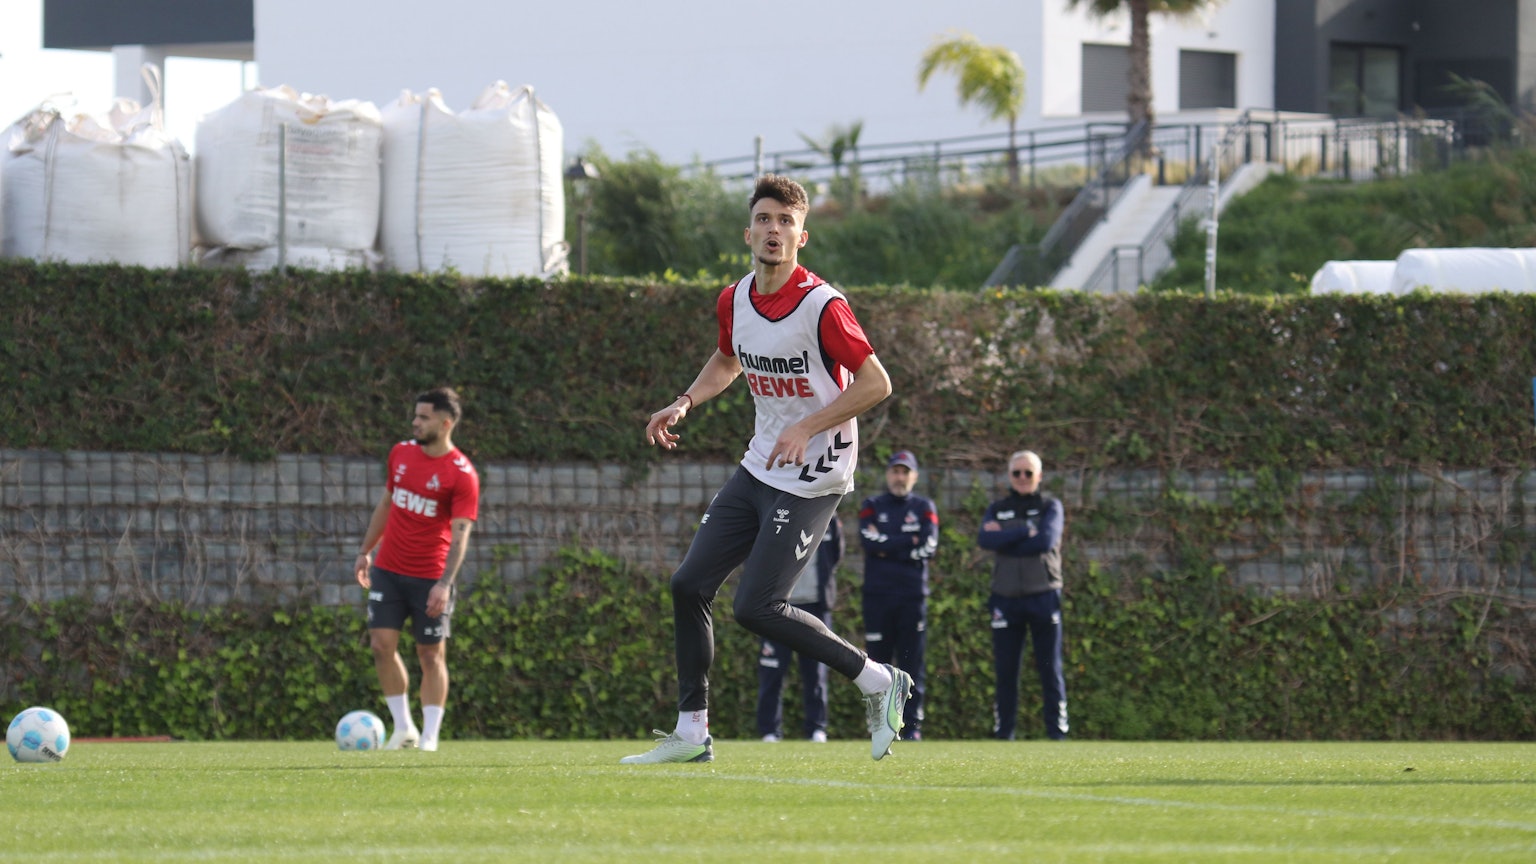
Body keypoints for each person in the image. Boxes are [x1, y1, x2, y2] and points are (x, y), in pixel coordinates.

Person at [626, 173, 912, 764]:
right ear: (748, 231)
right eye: (764, 219)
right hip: (761, 465)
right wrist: (685, 400)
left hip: (816, 472)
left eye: (786, 221)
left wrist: (808, 426)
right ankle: (691, 731)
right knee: (688, 585)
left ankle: (878, 680)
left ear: (802, 236)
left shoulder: (823, 305)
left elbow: (877, 383)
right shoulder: (734, 298)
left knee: (756, 607)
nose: (774, 230)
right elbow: (727, 359)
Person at [352, 387, 480, 752]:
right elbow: (387, 503)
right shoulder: (401, 453)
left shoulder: (462, 474)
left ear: (445, 423)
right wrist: (365, 551)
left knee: (430, 654)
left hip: (429, 577)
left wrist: (444, 584)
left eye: (423, 417)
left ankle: (429, 737)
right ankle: (404, 728)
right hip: (389, 570)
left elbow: (460, 536)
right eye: (415, 415)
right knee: (380, 645)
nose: (415, 422)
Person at [976, 449, 1068, 741]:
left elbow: (1045, 540)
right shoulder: (997, 507)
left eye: (1028, 473)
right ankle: (1004, 734)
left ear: (1039, 476)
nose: (1023, 478)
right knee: (1006, 671)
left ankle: (1057, 733)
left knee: (1049, 669)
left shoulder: (1050, 506)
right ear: (1009, 476)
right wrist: (1023, 531)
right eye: (1017, 473)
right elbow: (984, 539)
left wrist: (1005, 535)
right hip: (1004, 597)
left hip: (1043, 594)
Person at [858, 450, 939, 741]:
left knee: (911, 662)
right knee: (877, 664)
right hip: (877, 597)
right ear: (888, 474)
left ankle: (912, 727)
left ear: (914, 476)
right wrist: (907, 542)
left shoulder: (924, 506)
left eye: (906, 472)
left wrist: (887, 547)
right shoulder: (872, 506)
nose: (900, 477)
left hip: (912, 597)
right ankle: (879, 725)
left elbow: (928, 547)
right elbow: (868, 542)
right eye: (895, 471)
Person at [756, 514, 842, 743]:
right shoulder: (777, 516)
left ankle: (817, 729)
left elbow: (834, 555)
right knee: (772, 671)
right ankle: (769, 731)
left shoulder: (829, 518)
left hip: (815, 607)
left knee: (816, 673)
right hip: (776, 606)